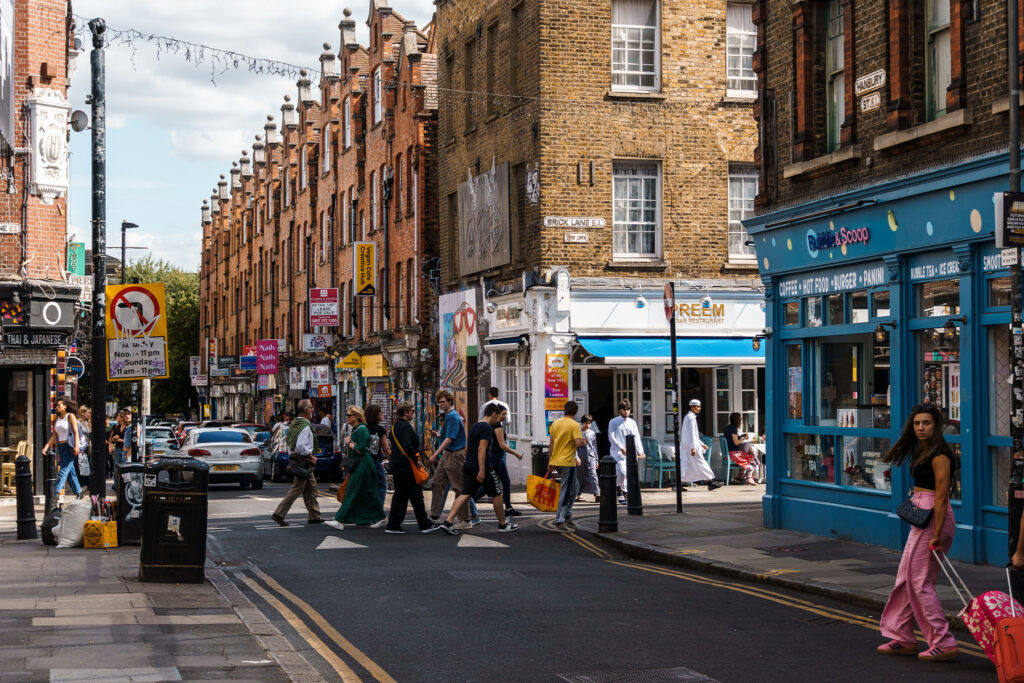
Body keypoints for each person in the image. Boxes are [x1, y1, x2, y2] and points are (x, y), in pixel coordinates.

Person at [877, 404, 959, 662]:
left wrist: (936, 533)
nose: (921, 428)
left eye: (926, 423)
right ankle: (903, 636)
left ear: (937, 426)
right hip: (921, 519)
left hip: (935, 520)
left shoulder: (941, 454)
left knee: (921, 582)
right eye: (917, 423)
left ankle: (943, 642)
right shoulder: (924, 450)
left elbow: (943, 496)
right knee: (905, 578)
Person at [439, 403, 518, 535]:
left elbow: (468, 446)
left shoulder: (475, 425)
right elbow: (482, 449)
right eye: (497, 417)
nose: (497, 420)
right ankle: (502, 524)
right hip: (482, 466)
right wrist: (481, 470)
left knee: (465, 494)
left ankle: (448, 522)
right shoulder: (487, 428)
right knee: (497, 494)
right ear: (493, 414)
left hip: (468, 464)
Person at [384, 402, 441, 534]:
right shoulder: (406, 428)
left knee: (400, 496)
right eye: (412, 411)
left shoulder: (394, 427)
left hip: (397, 466)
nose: (413, 413)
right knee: (416, 495)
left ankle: (393, 524)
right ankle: (424, 524)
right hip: (407, 466)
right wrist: (416, 460)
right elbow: (408, 445)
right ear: (406, 413)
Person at [271, 399, 324, 526]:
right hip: (303, 461)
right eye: (311, 408)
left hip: (298, 461)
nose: (313, 410)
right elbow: (300, 446)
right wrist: (311, 456)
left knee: (311, 488)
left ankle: (314, 515)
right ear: (306, 410)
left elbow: (290, 443)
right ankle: (279, 514)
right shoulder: (305, 427)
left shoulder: (295, 424)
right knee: (296, 490)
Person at [334, 406, 386, 528]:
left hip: (363, 464)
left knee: (352, 491)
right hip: (361, 464)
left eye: (348, 415)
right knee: (368, 493)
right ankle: (376, 517)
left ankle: (339, 520)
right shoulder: (357, 429)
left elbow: (361, 449)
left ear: (356, 417)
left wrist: (349, 443)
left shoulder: (362, 430)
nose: (346, 417)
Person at [428, 390, 471, 528]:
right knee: (436, 482)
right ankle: (435, 516)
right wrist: (439, 435)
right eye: (439, 402)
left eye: (443, 401)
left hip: (455, 455)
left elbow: (451, 438)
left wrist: (435, 454)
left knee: (459, 488)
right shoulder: (448, 416)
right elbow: (449, 436)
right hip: (448, 454)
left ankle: (465, 520)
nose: (440, 404)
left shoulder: (452, 416)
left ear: (450, 401)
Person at [549, 401, 586, 530]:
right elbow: (578, 443)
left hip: (557, 461)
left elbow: (551, 444)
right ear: (575, 412)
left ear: (564, 410)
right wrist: (585, 441)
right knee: (566, 491)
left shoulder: (555, 423)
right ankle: (560, 520)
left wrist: (550, 461)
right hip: (567, 462)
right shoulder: (575, 425)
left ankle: (568, 514)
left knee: (575, 488)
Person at [42, 398, 83, 500]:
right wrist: (47, 445)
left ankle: (56, 492)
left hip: (70, 447)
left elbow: (75, 432)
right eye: (56, 406)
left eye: (59, 405)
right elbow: (55, 434)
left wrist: (76, 446)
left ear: (65, 406)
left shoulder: (70, 416)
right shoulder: (57, 418)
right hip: (61, 447)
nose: (57, 407)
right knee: (70, 472)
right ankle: (79, 492)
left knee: (63, 471)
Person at [678, 399, 722, 492]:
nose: (699, 408)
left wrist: (701, 444)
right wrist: (693, 447)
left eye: (699, 406)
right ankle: (710, 482)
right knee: (700, 463)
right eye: (697, 407)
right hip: (691, 446)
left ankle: (679, 483)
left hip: (690, 445)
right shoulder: (690, 417)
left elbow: (694, 434)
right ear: (692, 407)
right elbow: (690, 434)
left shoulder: (691, 417)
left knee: (689, 466)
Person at [608, 399, 645, 504]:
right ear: (620, 410)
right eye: (624, 410)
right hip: (617, 452)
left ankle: (623, 491)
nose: (626, 412)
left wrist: (640, 451)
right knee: (622, 471)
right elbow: (611, 437)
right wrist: (621, 448)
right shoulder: (613, 422)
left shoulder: (632, 422)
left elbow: (636, 437)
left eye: (628, 410)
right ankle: (621, 490)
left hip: (631, 452)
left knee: (628, 472)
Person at [487, 408, 523, 517]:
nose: (505, 416)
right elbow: (502, 445)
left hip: (494, 457)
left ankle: (508, 507)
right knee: (500, 483)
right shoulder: (498, 427)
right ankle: (471, 500)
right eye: (503, 414)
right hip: (496, 458)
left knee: (498, 482)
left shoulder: (492, 425)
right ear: (497, 414)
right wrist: (516, 453)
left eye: (506, 414)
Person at [364, 404, 391, 508]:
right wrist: (391, 460)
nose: (382, 414)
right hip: (375, 461)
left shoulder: (363, 428)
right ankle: (378, 509)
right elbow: (386, 448)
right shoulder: (380, 430)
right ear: (377, 415)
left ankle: (367, 509)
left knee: (368, 486)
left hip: (364, 462)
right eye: (381, 412)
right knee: (381, 485)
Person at [724, 412, 760, 486]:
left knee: (749, 455)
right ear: (736, 420)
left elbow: (732, 439)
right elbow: (736, 442)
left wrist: (740, 436)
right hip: (733, 454)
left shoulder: (727, 428)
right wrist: (743, 438)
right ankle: (749, 478)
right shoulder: (733, 429)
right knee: (754, 459)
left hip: (729, 453)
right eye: (740, 419)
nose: (741, 421)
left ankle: (741, 475)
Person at [578, 415, 600, 502]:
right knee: (580, 476)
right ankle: (579, 493)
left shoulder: (592, 433)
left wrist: (596, 459)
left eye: (589, 423)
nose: (587, 425)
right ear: (582, 423)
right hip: (580, 456)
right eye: (585, 423)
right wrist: (576, 457)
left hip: (591, 456)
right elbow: (574, 446)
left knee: (593, 475)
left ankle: (596, 493)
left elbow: (594, 447)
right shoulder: (578, 432)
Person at [76, 406, 92, 482]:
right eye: (88, 413)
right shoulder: (78, 423)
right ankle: (81, 482)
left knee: (85, 464)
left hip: (86, 446)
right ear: (82, 413)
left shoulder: (85, 422)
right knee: (80, 464)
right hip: (80, 446)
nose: (90, 414)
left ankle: (85, 482)